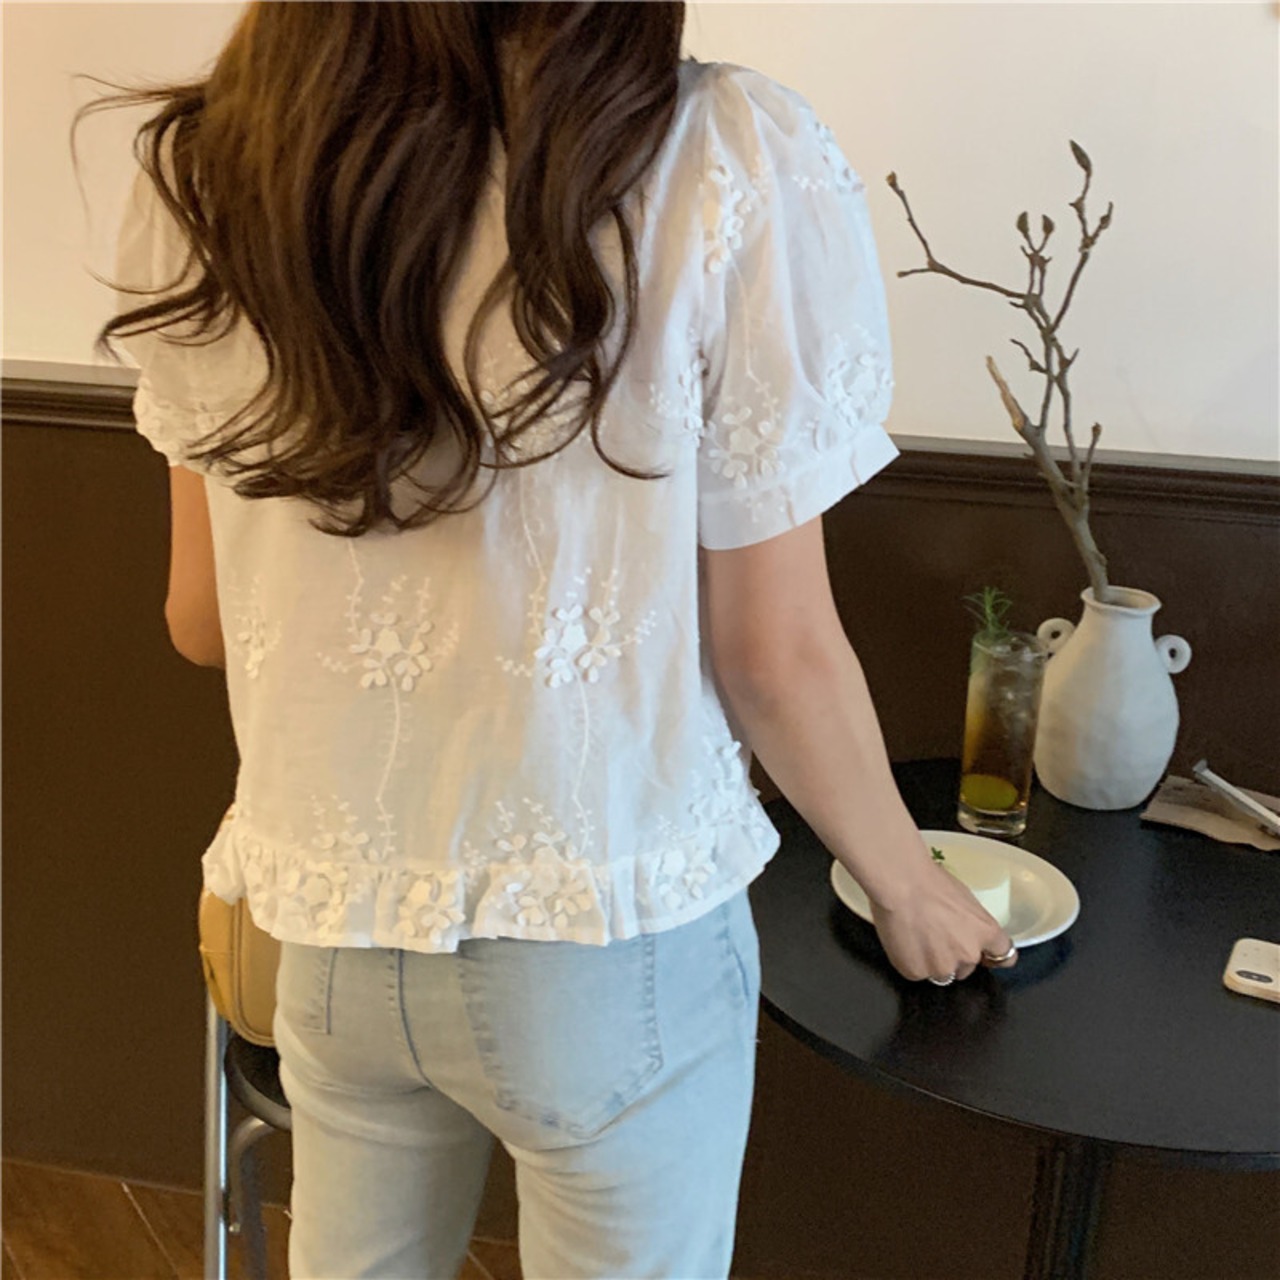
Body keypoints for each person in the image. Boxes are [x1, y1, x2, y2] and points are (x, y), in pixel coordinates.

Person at [88, 3, 1016, 1277]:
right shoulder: (716, 153)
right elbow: (773, 653)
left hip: (337, 931)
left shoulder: (212, 166)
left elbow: (199, 620)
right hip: (605, 930)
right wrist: (908, 887)